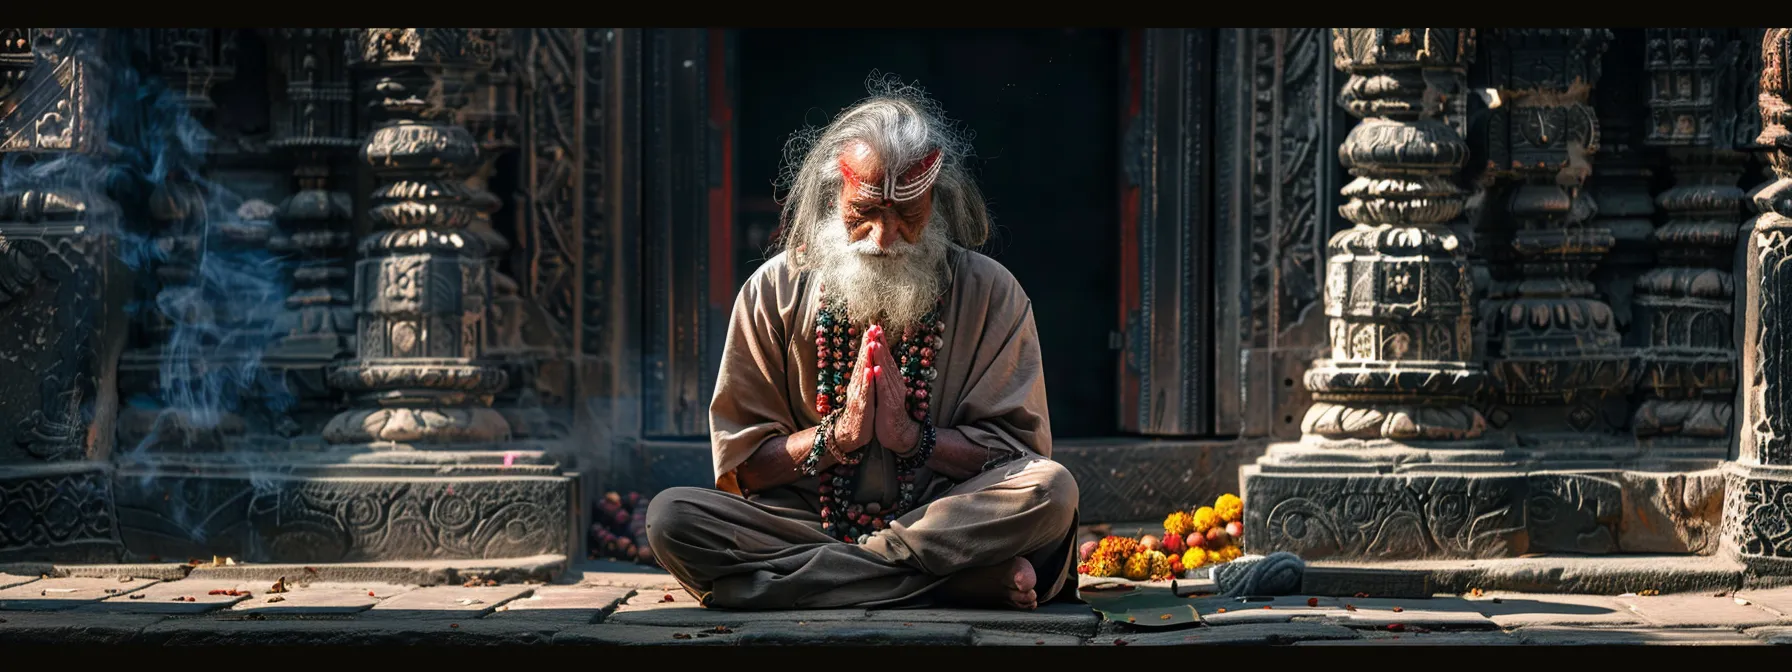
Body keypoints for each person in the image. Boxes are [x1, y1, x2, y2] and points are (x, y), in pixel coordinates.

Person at [644, 77, 1080, 611]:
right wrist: (838, 436)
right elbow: (747, 469)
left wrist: (913, 438)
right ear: (835, 197)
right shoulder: (771, 291)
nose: (883, 237)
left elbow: (1020, 457)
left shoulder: (991, 293)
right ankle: (949, 582)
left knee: (1051, 492)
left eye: (907, 215)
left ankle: (807, 582)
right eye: (865, 212)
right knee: (672, 517)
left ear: (936, 204)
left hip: (941, 517)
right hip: (805, 523)